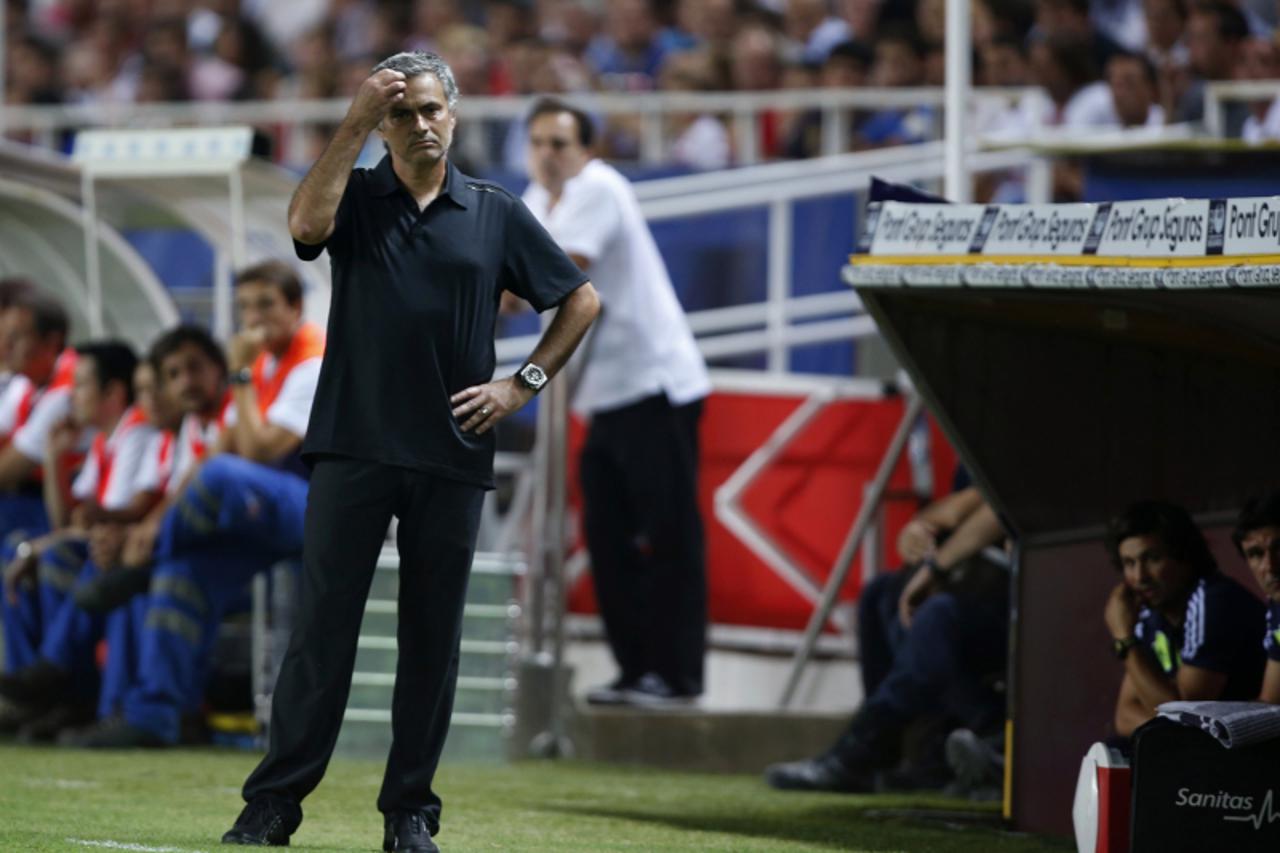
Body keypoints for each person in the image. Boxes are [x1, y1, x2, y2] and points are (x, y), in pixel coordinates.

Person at [223, 51, 599, 853]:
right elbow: (303, 227)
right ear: (382, 126)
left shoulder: (494, 210)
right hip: (351, 443)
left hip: (451, 450)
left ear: (453, 115)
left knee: (434, 638)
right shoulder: (355, 195)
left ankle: (410, 813)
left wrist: (521, 383)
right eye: (402, 114)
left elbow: (580, 298)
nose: (420, 124)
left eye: (431, 109)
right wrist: (353, 121)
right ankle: (273, 806)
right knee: (322, 632)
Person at [70, 262, 324, 748]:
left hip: (318, 509)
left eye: (267, 304)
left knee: (223, 476)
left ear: (296, 307)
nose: (254, 317)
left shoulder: (310, 359)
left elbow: (256, 452)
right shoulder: (271, 361)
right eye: (246, 306)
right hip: (266, 517)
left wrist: (241, 372)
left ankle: (145, 563)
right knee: (181, 573)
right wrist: (157, 520)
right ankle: (154, 715)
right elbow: (223, 442)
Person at [521, 97, 711, 708]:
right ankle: (635, 671)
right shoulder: (532, 200)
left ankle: (677, 677)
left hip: (653, 385)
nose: (549, 155)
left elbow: (560, 272)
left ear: (586, 150)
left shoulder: (600, 188)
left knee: (669, 535)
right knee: (606, 538)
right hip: (603, 396)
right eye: (539, 143)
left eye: (560, 143)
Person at [765, 487, 1009, 793]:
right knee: (880, 593)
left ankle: (867, 743)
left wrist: (936, 567)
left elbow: (999, 508)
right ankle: (899, 753)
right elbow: (963, 504)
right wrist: (921, 527)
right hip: (977, 594)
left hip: (1022, 600)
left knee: (937, 615)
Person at [1104, 500, 1265, 740]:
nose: (1139, 577)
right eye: (1129, 563)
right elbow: (1124, 717)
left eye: (1152, 559)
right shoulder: (1148, 614)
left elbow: (1185, 717)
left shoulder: (1213, 600)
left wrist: (1125, 640)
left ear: (1184, 556)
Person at [1231, 492, 1280, 704]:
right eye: (1256, 554)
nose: (1269, 566)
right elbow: (1271, 700)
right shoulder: (1277, 608)